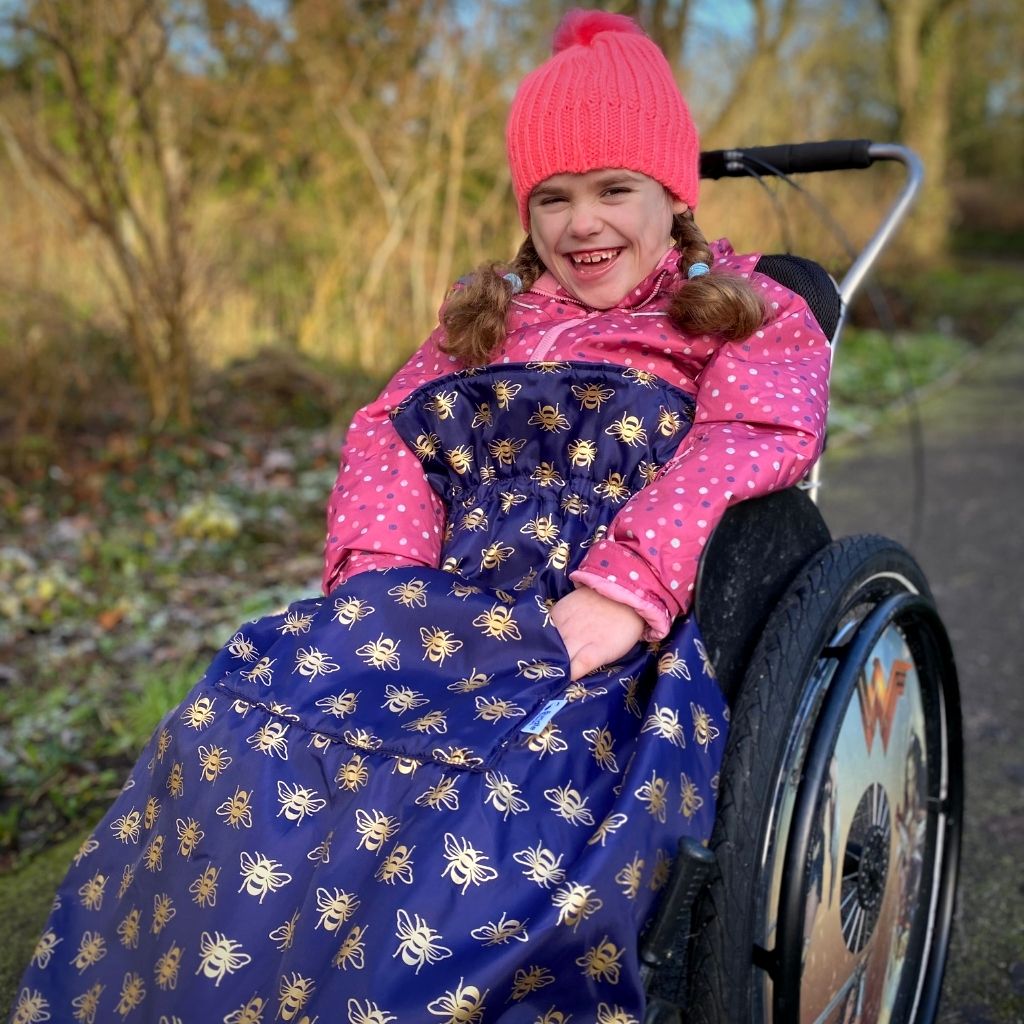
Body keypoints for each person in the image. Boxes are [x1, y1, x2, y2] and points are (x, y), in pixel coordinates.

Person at [10, 9, 829, 1024]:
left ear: (673, 194)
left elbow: (751, 436)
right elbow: (387, 436)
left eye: (614, 189)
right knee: (243, 728)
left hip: (612, 623)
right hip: (444, 603)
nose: (582, 224)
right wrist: (378, 588)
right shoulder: (488, 322)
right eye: (553, 197)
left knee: (493, 815)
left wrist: (629, 585)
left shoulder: (742, 315)